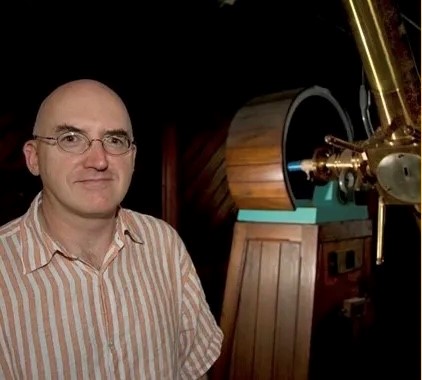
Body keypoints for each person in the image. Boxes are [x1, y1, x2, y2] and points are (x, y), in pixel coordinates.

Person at [0, 79, 223, 379]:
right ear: (34, 157)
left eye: (115, 141)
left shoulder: (164, 244)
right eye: (71, 138)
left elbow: (194, 371)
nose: (99, 160)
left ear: (132, 158)